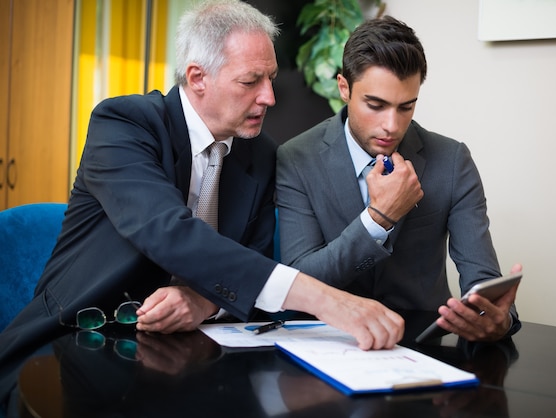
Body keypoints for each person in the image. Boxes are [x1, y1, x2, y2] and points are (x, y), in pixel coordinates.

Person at [0, 0, 404, 386]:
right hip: (71, 346)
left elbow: (255, 256)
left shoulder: (260, 154)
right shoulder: (123, 124)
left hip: (191, 358)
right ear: (197, 78)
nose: (269, 97)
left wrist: (203, 300)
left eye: (271, 79)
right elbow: (170, 233)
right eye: (250, 81)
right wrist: (329, 301)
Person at [276, 15, 522, 342]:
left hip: (423, 347)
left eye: (406, 107)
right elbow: (300, 279)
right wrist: (379, 219)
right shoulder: (296, 158)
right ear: (344, 88)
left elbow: (482, 281)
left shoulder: (452, 161)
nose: (392, 125)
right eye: (375, 105)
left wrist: (498, 320)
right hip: (325, 342)